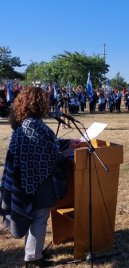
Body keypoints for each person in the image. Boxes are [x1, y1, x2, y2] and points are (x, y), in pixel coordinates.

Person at [0, 87, 78, 267]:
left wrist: (67, 143)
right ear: (36, 103)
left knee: (34, 216)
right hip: (36, 180)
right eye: (44, 100)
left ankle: (32, 251)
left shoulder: (26, 123)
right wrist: (65, 152)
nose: (47, 103)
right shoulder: (33, 125)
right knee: (39, 217)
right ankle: (34, 258)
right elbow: (47, 155)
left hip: (28, 178)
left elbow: (47, 144)